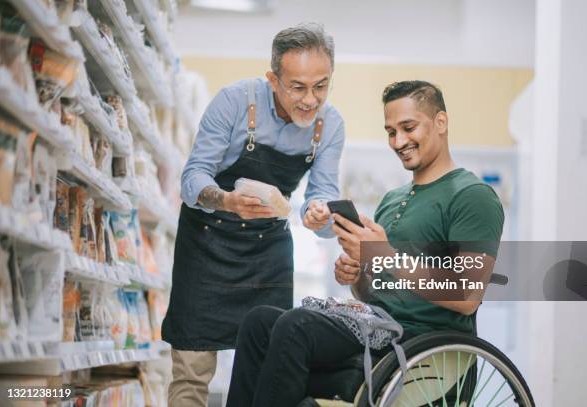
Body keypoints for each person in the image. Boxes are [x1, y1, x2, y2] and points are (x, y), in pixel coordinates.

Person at [226, 80, 505, 406]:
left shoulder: (471, 196)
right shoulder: (392, 200)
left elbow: (468, 295)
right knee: (258, 322)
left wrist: (384, 256)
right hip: (377, 327)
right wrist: (358, 272)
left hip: (422, 342)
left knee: (295, 326)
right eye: (390, 131)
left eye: (408, 127)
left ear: (441, 122)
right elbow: (373, 293)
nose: (399, 141)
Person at [161, 23, 345, 407]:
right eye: (298, 87)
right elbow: (192, 177)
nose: (311, 100)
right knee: (192, 368)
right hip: (207, 243)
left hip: (268, 254)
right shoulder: (234, 101)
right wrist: (227, 200)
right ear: (273, 79)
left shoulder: (330, 127)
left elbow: (326, 203)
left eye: (321, 86)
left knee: (266, 368)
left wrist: (320, 215)